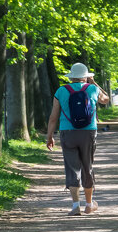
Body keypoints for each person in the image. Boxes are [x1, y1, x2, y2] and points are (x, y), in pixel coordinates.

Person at [45, 63, 109, 214]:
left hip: (67, 132)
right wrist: (93, 82)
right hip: (88, 132)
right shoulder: (92, 89)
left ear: (71, 76)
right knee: (88, 166)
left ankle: (75, 206)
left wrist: (49, 136)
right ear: (86, 76)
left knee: (72, 168)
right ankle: (88, 204)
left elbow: (53, 117)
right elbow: (106, 99)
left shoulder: (61, 91)